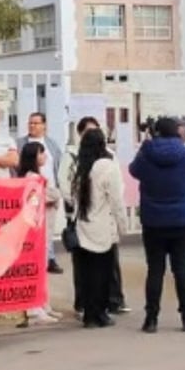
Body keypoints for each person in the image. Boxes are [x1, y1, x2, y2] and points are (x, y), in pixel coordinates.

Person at [129, 117, 185, 333]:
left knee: (155, 270)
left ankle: (151, 319)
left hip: (153, 219)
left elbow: (133, 171)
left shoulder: (147, 153)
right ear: (176, 131)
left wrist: (146, 144)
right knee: (181, 270)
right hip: (181, 217)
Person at [60, 116, 129, 318]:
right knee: (104, 272)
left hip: (83, 225)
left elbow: (71, 195)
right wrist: (122, 226)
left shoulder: (80, 168)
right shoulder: (107, 167)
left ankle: (89, 313)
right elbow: (116, 201)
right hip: (102, 228)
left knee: (87, 273)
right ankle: (101, 313)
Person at [16, 141, 61, 327]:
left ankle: (43, 304)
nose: (44, 157)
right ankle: (35, 309)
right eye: (41, 153)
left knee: (42, 266)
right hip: (36, 229)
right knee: (37, 267)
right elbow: (46, 197)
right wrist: (53, 194)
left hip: (43, 228)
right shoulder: (32, 178)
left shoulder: (36, 176)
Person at [18, 112, 65, 274]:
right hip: (35, 194)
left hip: (50, 190)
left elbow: (59, 167)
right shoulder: (21, 144)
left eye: (36, 123)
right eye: (30, 123)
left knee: (49, 230)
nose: (32, 126)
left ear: (44, 125)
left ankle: (50, 258)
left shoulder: (52, 145)